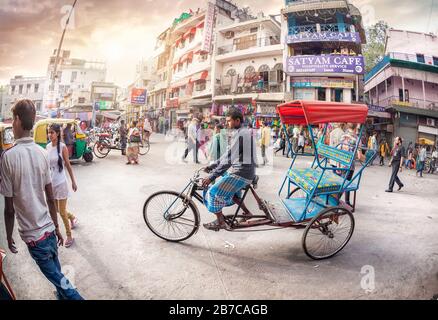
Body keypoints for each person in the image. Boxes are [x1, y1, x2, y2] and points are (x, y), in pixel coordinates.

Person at [0, 99, 83, 300]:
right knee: (58, 277)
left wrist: (9, 235)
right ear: (34, 119)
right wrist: (56, 227)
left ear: (17, 120)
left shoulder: (8, 157)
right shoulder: (41, 152)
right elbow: (50, 197)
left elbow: (9, 208)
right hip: (48, 231)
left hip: (35, 238)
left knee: (63, 283)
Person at [202, 107, 257, 230]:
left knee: (213, 192)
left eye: (229, 121)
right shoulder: (241, 132)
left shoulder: (241, 134)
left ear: (237, 120)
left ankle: (220, 222)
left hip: (241, 173)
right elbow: (227, 155)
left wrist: (212, 176)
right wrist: (213, 165)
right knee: (232, 193)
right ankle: (247, 212)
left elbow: (229, 160)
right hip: (243, 171)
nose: (227, 123)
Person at [46, 124, 78, 248]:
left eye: (52, 132)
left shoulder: (62, 147)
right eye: (48, 132)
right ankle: (73, 217)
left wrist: (73, 181)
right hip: (51, 183)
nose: (50, 135)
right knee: (58, 210)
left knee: (62, 212)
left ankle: (69, 236)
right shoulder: (48, 147)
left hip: (61, 183)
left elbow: (68, 165)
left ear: (58, 134)